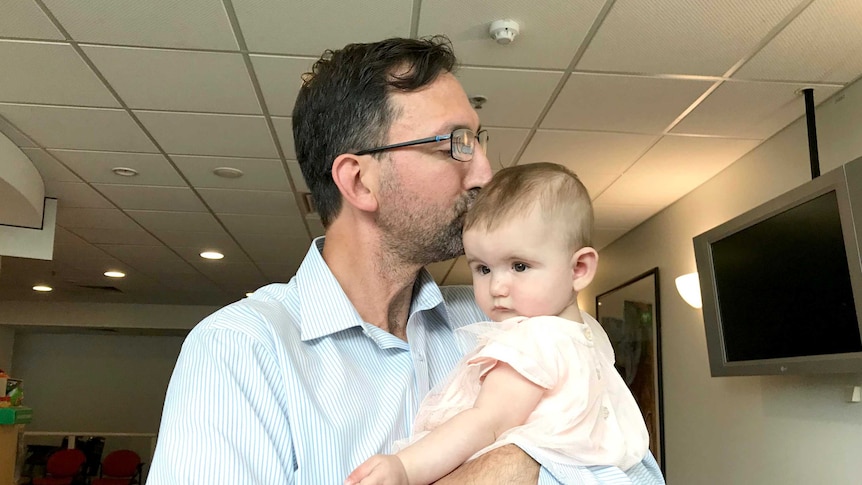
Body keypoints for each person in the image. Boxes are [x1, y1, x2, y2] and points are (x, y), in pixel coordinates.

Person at [147, 36, 665, 484]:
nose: (485, 172)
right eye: (454, 145)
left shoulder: (506, 320)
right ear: (358, 181)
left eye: (479, 140)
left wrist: (519, 464)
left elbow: (637, 468)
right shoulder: (243, 351)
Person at [345, 163, 652, 485]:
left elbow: (486, 421)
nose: (497, 287)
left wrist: (405, 468)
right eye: (483, 269)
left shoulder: (533, 339)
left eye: (519, 266)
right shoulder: (589, 337)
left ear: (578, 269)